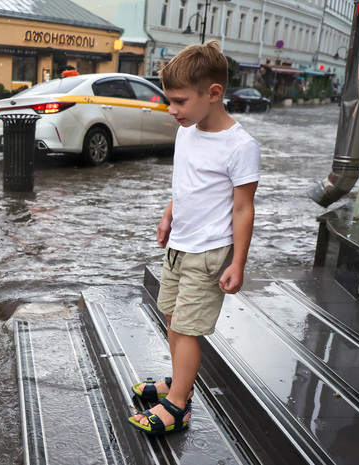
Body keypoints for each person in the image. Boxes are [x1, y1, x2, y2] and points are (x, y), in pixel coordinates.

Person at [128, 40, 261, 435]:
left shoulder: (240, 146)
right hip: (179, 246)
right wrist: (169, 216)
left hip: (209, 253)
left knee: (186, 329)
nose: (172, 110)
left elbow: (243, 208)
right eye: (170, 100)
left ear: (214, 94)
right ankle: (178, 380)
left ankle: (179, 404)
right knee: (172, 318)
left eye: (179, 101)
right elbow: (184, 184)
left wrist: (237, 262)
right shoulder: (187, 130)